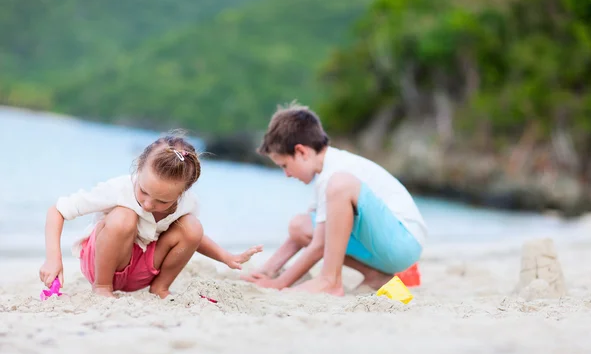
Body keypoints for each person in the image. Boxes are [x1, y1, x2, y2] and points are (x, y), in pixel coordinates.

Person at [39, 132, 262, 298]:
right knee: (124, 217)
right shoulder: (118, 189)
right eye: (144, 192)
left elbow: (193, 239)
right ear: (138, 168)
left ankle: (160, 288)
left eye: (162, 201)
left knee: (192, 226)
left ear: (183, 192)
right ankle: (102, 288)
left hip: (144, 269)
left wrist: (226, 257)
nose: (147, 204)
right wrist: (53, 260)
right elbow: (57, 211)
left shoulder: (188, 203)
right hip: (104, 264)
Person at [242, 102, 427, 296]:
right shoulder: (325, 173)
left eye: (285, 166)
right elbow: (308, 233)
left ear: (301, 152)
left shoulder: (335, 173)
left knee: (340, 185)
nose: (286, 174)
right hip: (386, 245)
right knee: (300, 225)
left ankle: (330, 281)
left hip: (403, 241)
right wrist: (267, 271)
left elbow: (320, 244)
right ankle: (374, 275)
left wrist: (280, 284)